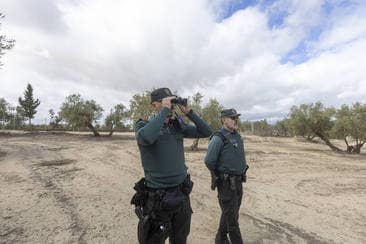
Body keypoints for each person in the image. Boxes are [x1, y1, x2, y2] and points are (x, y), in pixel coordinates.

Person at [131, 87, 212, 244]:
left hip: (181, 195)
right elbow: (146, 138)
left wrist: (189, 112)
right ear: (154, 105)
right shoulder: (143, 126)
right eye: (167, 102)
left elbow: (206, 131)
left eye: (173, 102)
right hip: (158, 199)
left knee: (180, 239)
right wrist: (164, 112)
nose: (172, 106)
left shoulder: (177, 127)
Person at [204, 108, 248, 244]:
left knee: (230, 214)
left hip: (238, 182)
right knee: (233, 221)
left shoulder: (236, 135)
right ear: (223, 120)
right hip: (227, 185)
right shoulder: (219, 137)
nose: (235, 120)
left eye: (236, 118)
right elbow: (209, 161)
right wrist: (222, 174)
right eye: (232, 118)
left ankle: (220, 239)